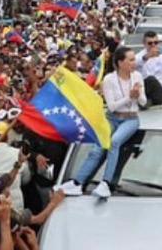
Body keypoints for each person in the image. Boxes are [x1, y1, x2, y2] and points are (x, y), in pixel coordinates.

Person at [59, 46, 146, 199]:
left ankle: (106, 182)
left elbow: (143, 102)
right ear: (120, 63)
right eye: (130, 60)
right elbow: (112, 107)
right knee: (97, 150)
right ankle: (78, 182)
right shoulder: (109, 79)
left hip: (131, 119)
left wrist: (137, 95)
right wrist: (129, 96)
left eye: (134, 59)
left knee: (114, 142)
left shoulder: (138, 76)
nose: (134, 63)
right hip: (112, 118)